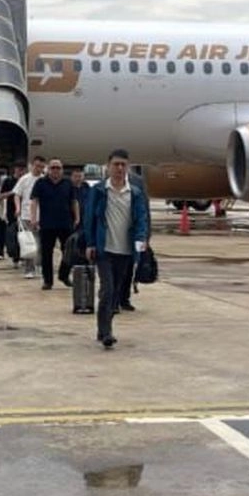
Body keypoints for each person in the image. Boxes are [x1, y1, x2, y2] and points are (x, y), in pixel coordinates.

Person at [82, 149, 150, 349]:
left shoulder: (135, 193)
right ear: (108, 166)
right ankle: (106, 333)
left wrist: (141, 239)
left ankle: (103, 327)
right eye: (116, 164)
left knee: (116, 293)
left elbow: (141, 219)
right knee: (107, 290)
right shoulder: (100, 191)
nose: (119, 168)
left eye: (123, 165)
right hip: (105, 250)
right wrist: (90, 243)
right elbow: (89, 219)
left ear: (127, 167)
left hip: (126, 251)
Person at [29, 158, 79, 289]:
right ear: (48, 169)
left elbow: (74, 201)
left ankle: (64, 275)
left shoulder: (68, 183)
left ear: (62, 170)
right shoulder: (40, 183)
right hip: (47, 224)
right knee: (46, 253)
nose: (55, 170)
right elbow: (34, 201)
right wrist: (33, 218)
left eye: (58, 168)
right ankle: (48, 281)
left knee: (69, 251)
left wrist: (77, 217)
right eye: (53, 168)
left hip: (65, 223)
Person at [115, 165, 154, 312]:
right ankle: (113, 300)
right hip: (114, 232)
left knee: (129, 268)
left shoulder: (137, 182)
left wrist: (146, 235)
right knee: (114, 269)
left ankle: (124, 299)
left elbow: (145, 208)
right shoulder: (107, 182)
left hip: (133, 234)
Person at [15, 156, 46, 278]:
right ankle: (29, 269)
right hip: (27, 215)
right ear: (32, 165)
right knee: (29, 243)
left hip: (43, 216)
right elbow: (17, 194)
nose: (39, 169)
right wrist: (18, 208)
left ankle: (40, 265)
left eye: (42, 167)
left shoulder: (44, 179)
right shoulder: (25, 179)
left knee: (41, 243)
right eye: (37, 166)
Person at [0, 161, 25, 269]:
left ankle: (25, 256)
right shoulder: (8, 181)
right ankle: (15, 257)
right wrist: (13, 192)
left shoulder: (26, 181)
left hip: (26, 213)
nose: (21, 172)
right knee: (13, 237)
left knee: (25, 236)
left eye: (22, 169)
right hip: (12, 213)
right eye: (19, 169)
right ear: (15, 169)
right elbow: (0, 196)